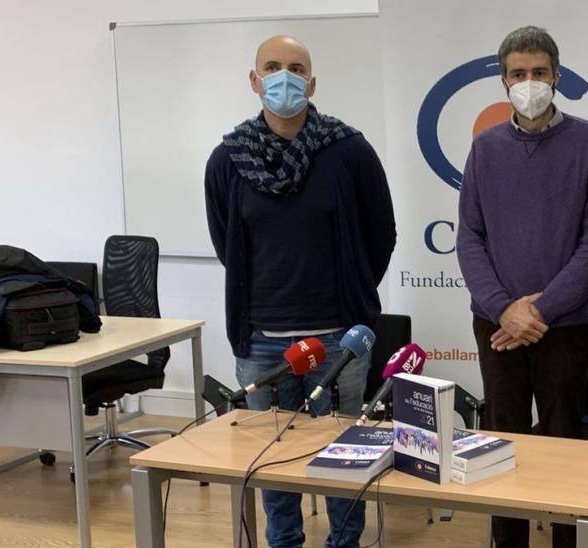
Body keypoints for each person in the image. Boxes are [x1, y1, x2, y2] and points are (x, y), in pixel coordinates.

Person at [204, 35, 396, 548]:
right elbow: (227, 242)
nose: (283, 76)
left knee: (344, 456)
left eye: (295, 68)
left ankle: (345, 542)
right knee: (270, 457)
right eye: (272, 66)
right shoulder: (227, 159)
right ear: (254, 80)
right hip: (261, 338)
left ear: (311, 84)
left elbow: (382, 233)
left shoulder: (348, 150)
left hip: (339, 336)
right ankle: (283, 541)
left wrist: (353, 291)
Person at [455, 26, 588, 548]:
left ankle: (568, 540)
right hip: (497, 326)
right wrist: (505, 310)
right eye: (518, 74)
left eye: (538, 73)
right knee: (502, 444)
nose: (529, 83)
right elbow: (470, 239)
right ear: (504, 82)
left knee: (564, 443)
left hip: (563, 326)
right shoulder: (485, 148)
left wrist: (537, 311)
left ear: (557, 76)